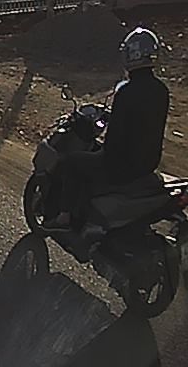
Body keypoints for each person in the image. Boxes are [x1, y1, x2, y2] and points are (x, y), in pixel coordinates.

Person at [48, 27, 170, 230]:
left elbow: (115, 137)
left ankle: (64, 217)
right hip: (148, 163)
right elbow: (141, 120)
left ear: (130, 55)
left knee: (72, 163)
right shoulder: (161, 90)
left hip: (120, 165)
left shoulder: (127, 92)